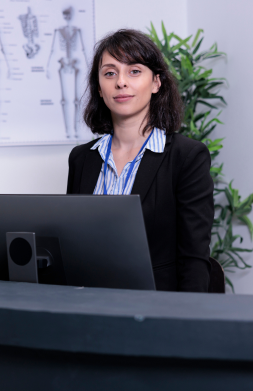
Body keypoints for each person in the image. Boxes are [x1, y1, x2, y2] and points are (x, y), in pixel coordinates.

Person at [66, 29, 214, 292]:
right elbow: (71, 247)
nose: (121, 82)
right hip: (88, 306)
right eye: (110, 73)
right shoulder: (82, 158)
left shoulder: (186, 157)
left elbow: (193, 258)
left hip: (155, 309)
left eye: (134, 71)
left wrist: (189, 324)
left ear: (156, 82)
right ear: (99, 88)